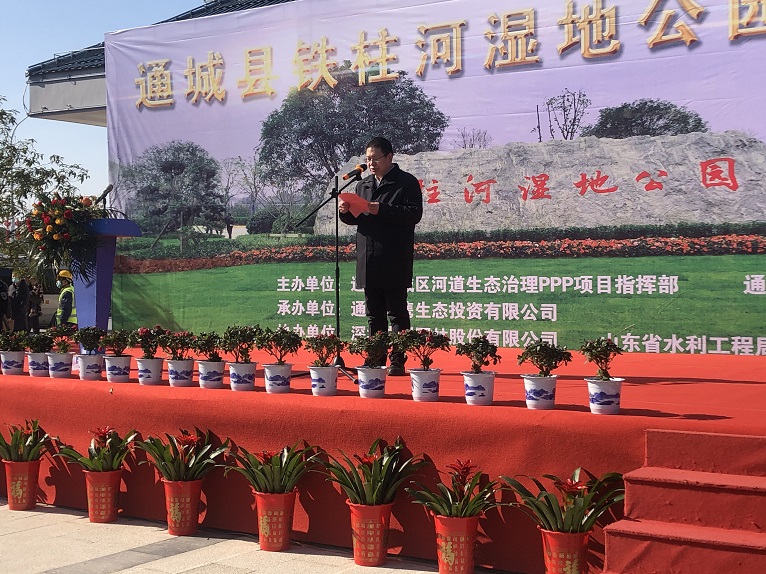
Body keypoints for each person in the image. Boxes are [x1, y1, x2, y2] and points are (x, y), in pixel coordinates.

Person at [339, 136, 423, 375]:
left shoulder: (406, 182)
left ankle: (397, 360)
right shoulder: (363, 185)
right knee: (373, 314)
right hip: (368, 257)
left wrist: (382, 210)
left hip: (394, 256)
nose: (371, 164)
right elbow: (357, 219)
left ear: (389, 157)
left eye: (375, 159)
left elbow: (414, 214)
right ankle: (375, 358)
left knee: (396, 312)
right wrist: (345, 212)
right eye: (368, 159)